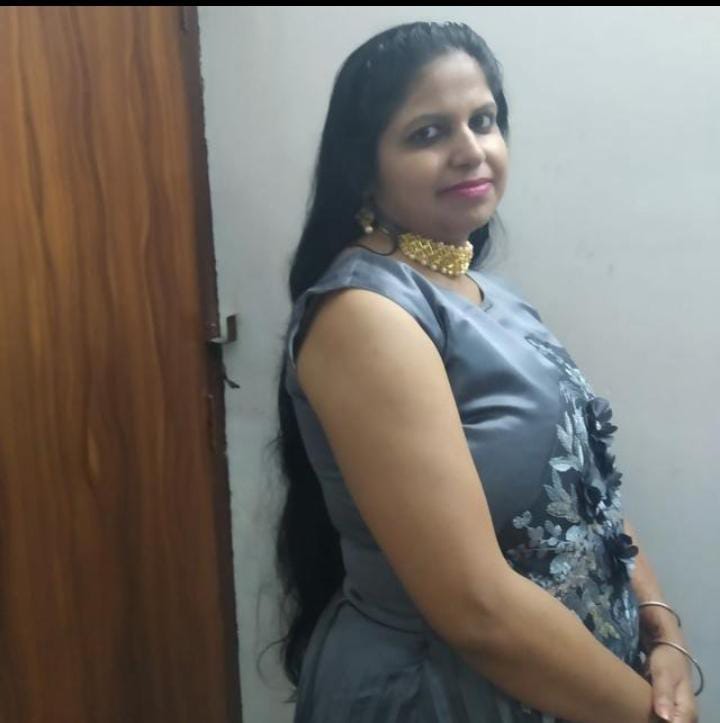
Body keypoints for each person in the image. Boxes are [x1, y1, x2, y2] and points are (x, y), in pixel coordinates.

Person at [269, 20, 701, 722]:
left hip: (573, 687)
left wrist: (661, 627)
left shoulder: (490, 293)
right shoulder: (365, 315)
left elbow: (586, 488)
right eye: (428, 132)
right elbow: (475, 609)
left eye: (484, 120)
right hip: (446, 694)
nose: (471, 150)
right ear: (364, 166)